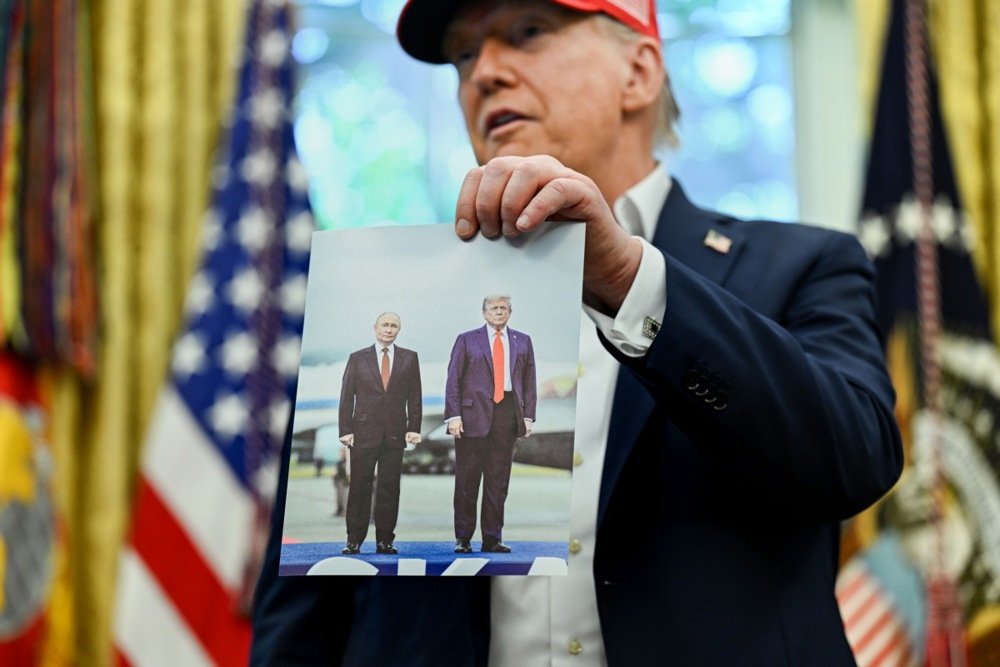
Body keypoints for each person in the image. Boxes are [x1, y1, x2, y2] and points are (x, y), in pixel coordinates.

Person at [251, 0, 903, 664]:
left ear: (640, 72)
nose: (484, 74)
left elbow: (856, 459)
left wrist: (626, 277)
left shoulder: (802, 267)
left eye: (527, 32)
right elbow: (306, 610)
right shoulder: (390, 299)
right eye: (465, 54)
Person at [446, 295, 536, 554]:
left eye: (503, 308)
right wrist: (453, 416)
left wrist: (528, 416)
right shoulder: (467, 340)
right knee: (467, 480)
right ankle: (463, 538)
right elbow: (453, 379)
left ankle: (492, 538)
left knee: (498, 482)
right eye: (494, 308)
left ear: (510, 312)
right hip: (471, 418)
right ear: (484, 313)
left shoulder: (523, 341)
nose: (499, 312)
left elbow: (529, 382)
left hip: (506, 415)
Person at [337, 312, 422, 555]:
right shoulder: (357, 358)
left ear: (399, 330)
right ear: (375, 328)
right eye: (385, 325)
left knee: (390, 487)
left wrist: (414, 427)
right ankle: (354, 539)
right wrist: (345, 430)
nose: (389, 329)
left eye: (394, 325)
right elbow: (346, 397)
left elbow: (415, 396)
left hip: (395, 434)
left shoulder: (409, 358)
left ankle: (385, 540)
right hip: (362, 433)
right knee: (359, 487)